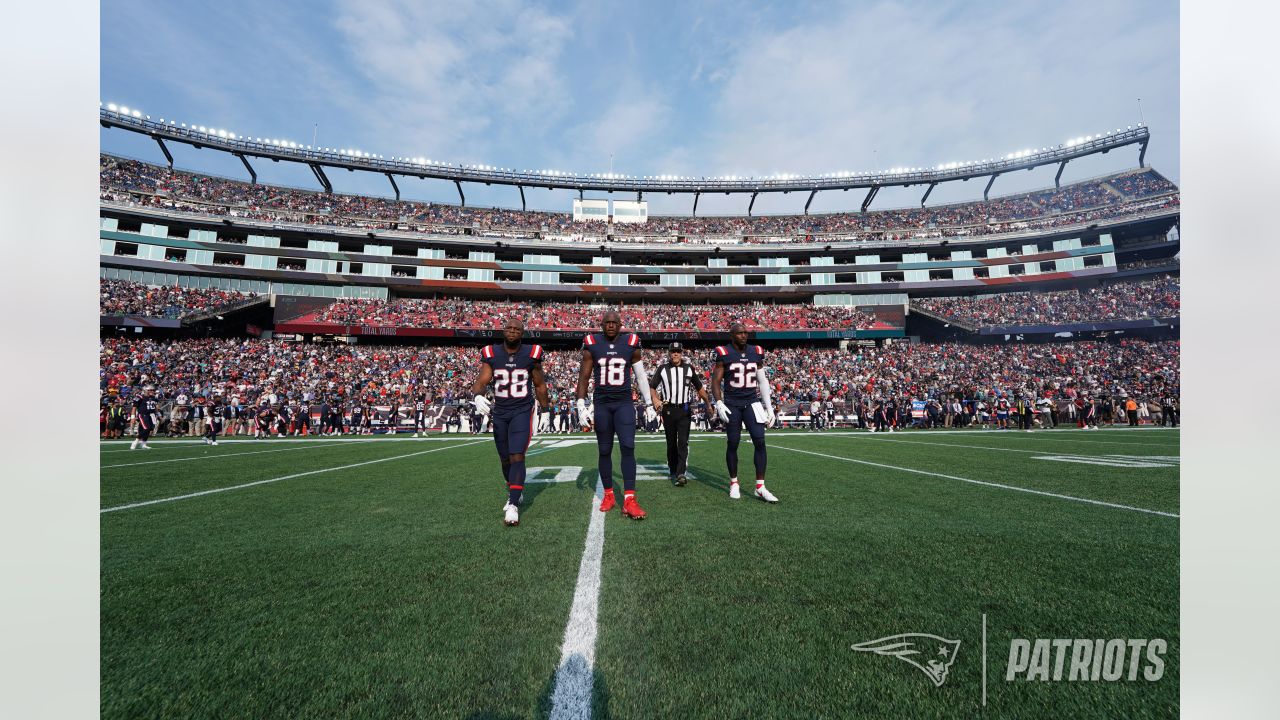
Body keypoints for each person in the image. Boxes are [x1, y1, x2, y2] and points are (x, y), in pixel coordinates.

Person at [575, 310, 657, 520]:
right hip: (602, 403)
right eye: (607, 322)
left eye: (614, 322)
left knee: (628, 447)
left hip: (623, 403)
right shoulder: (592, 342)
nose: (610, 325)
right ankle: (609, 494)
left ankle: (629, 498)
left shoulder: (631, 342)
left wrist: (648, 403)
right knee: (604, 450)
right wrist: (580, 403)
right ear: (601, 325)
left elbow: (640, 375)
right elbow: (584, 375)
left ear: (621, 324)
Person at [472, 318, 551, 527]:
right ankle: (514, 487)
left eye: (517, 329)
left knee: (517, 455)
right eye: (509, 328)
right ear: (503, 330)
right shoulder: (492, 353)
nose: (513, 331)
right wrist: (478, 396)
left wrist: (546, 410)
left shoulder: (531, 354)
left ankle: (514, 503)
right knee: (505, 458)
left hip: (522, 411)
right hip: (500, 412)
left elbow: (540, 384)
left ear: (522, 332)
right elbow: (481, 381)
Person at [709, 323, 779, 503]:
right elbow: (715, 381)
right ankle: (734, 482)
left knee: (760, 440)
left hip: (751, 402)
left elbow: (762, 381)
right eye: (739, 333)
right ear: (731, 335)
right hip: (732, 403)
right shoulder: (723, 352)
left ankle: (760, 486)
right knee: (733, 442)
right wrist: (718, 402)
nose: (743, 335)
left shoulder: (756, 351)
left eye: (745, 332)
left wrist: (769, 406)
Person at [650, 342, 709, 487]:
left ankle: (681, 472)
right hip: (668, 410)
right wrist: (656, 399)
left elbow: (699, 387)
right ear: (669, 353)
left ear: (681, 353)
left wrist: (708, 403)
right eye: (673, 351)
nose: (675, 354)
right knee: (671, 443)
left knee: (683, 442)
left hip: (684, 410)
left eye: (678, 351)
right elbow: (652, 386)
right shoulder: (662, 369)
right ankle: (673, 468)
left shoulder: (689, 369)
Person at [130, 385, 159, 450]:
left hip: (151, 415)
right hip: (143, 415)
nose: (152, 391)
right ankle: (135, 441)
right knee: (146, 428)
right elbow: (134, 407)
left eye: (152, 390)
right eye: (150, 390)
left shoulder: (154, 398)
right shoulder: (140, 397)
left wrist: (159, 415)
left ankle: (143, 444)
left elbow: (155, 408)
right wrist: (132, 417)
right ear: (145, 390)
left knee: (149, 429)